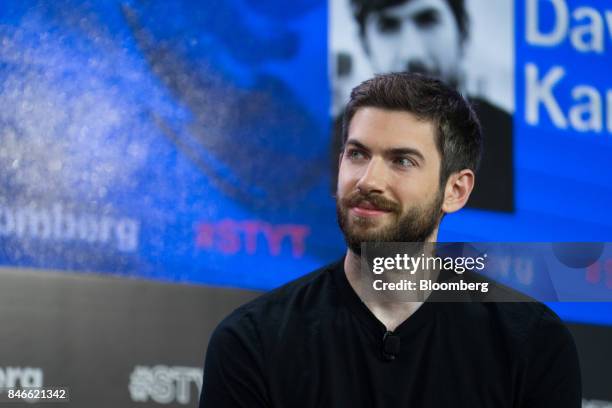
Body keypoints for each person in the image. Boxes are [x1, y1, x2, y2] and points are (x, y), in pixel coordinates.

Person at [199, 73, 581, 407]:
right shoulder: (253, 341)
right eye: (357, 154)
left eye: (402, 161)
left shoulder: (531, 344)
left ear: (456, 190)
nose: (368, 181)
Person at [332, 0, 513, 212]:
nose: (412, 54)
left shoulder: (509, 138)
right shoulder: (329, 140)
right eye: (388, 26)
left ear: (463, 31)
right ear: (364, 44)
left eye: (428, 21)